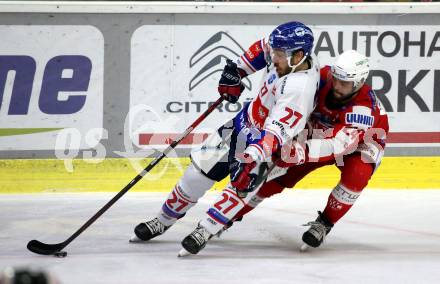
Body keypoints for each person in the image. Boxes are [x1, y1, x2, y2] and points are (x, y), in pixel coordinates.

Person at [130, 21, 320, 249]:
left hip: (266, 144)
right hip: (242, 123)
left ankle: (206, 229)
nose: (273, 58)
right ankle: (162, 220)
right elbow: (263, 48)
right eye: (276, 52)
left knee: (239, 187)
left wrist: (253, 156)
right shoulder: (288, 57)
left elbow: (275, 133)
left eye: (279, 54)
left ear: (298, 55)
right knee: (196, 174)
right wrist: (237, 71)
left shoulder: (300, 89)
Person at [183, 49, 389, 254]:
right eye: (336, 78)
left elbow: (337, 145)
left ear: (359, 83)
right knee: (269, 180)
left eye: (344, 84)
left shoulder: (363, 111)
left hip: (362, 141)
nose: (336, 85)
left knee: (357, 174)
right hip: (318, 131)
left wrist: (301, 151)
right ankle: (225, 218)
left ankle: (325, 223)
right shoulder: (322, 76)